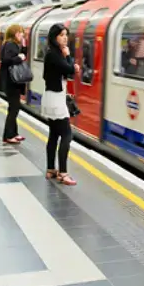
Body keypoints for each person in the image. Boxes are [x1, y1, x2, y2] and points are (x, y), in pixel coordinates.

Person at [42, 23, 79, 185]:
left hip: (52, 97)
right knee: (66, 135)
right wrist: (69, 57)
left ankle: (51, 169)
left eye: (66, 35)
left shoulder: (52, 54)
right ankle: (63, 173)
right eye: (62, 35)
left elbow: (66, 71)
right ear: (54, 37)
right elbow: (70, 71)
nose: (65, 38)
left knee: (54, 134)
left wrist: (69, 64)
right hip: (56, 100)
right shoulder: (54, 54)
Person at [0, 24, 29, 144]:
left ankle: (14, 133)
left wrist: (24, 47)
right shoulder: (10, 44)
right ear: (15, 33)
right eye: (20, 32)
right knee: (14, 108)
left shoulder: (12, 45)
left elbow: (21, 55)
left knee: (14, 107)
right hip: (11, 81)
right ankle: (8, 136)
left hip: (13, 81)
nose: (22, 35)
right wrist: (19, 58)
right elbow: (6, 60)